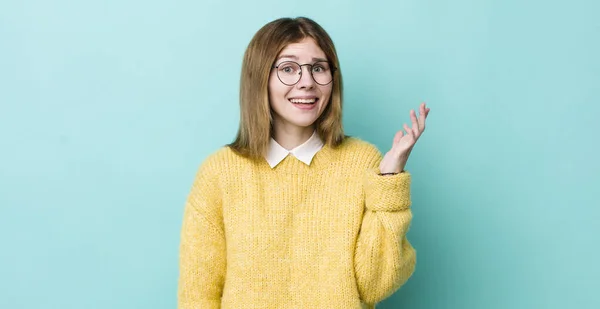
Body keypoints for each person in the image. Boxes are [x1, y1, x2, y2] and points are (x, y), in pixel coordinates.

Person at [177, 16, 430, 309]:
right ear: (260, 78)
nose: (307, 82)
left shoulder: (363, 162)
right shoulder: (219, 173)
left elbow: (375, 284)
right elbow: (197, 296)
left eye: (319, 68)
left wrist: (389, 179)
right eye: (288, 69)